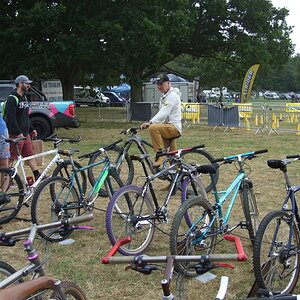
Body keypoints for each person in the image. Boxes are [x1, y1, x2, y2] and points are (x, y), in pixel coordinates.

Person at [5, 75, 43, 182]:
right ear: (20, 84)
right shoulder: (12, 99)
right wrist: (17, 133)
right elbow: (11, 118)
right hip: (16, 134)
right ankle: (8, 178)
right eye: (26, 83)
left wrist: (31, 129)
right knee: (12, 157)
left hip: (25, 134)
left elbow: (25, 116)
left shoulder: (24, 98)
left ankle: (37, 175)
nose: (28, 85)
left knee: (30, 155)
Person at [140, 73, 182, 167]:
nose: (159, 87)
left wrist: (150, 123)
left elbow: (164, 113)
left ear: (168, 83)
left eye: (161, 84)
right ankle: (178, 175)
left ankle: (160, 155)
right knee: (173, 159)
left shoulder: (173, 96)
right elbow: (161, 114)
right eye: (157, 84)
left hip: (173, 128)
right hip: (166, 127)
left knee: (153, 128)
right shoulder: (164, 97)